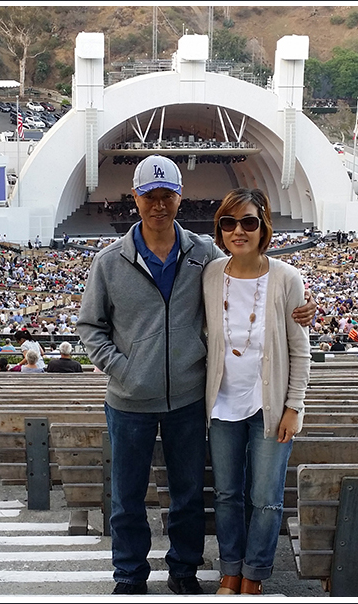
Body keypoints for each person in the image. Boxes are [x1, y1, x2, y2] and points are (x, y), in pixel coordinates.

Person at [77, 155, 314, 595]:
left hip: (188, 397)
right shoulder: (110, 262)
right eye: (150, 196)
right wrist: (121, 368)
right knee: (127, 499)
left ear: (180, 198)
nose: (159, 205)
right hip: (129, 401)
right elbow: (90, 326)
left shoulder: (203, 254)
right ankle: (129, 575)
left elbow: (262, 293)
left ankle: (184, 571)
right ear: (136, 197)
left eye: (167, 195)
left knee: (188, 496)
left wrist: (302, 310)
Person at [202, 188, 309, 595]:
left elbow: (300, 349)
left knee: (266, 498)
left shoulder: (286, 278)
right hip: (222, 405)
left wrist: (293, 406)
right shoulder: (211, 275)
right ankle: (231, 569)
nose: (238, 231)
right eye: (228, 223)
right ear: (220, 230)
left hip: (269, 406)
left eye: (248, 222)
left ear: (264, 226)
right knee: (227, 494)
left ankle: (254, 574)